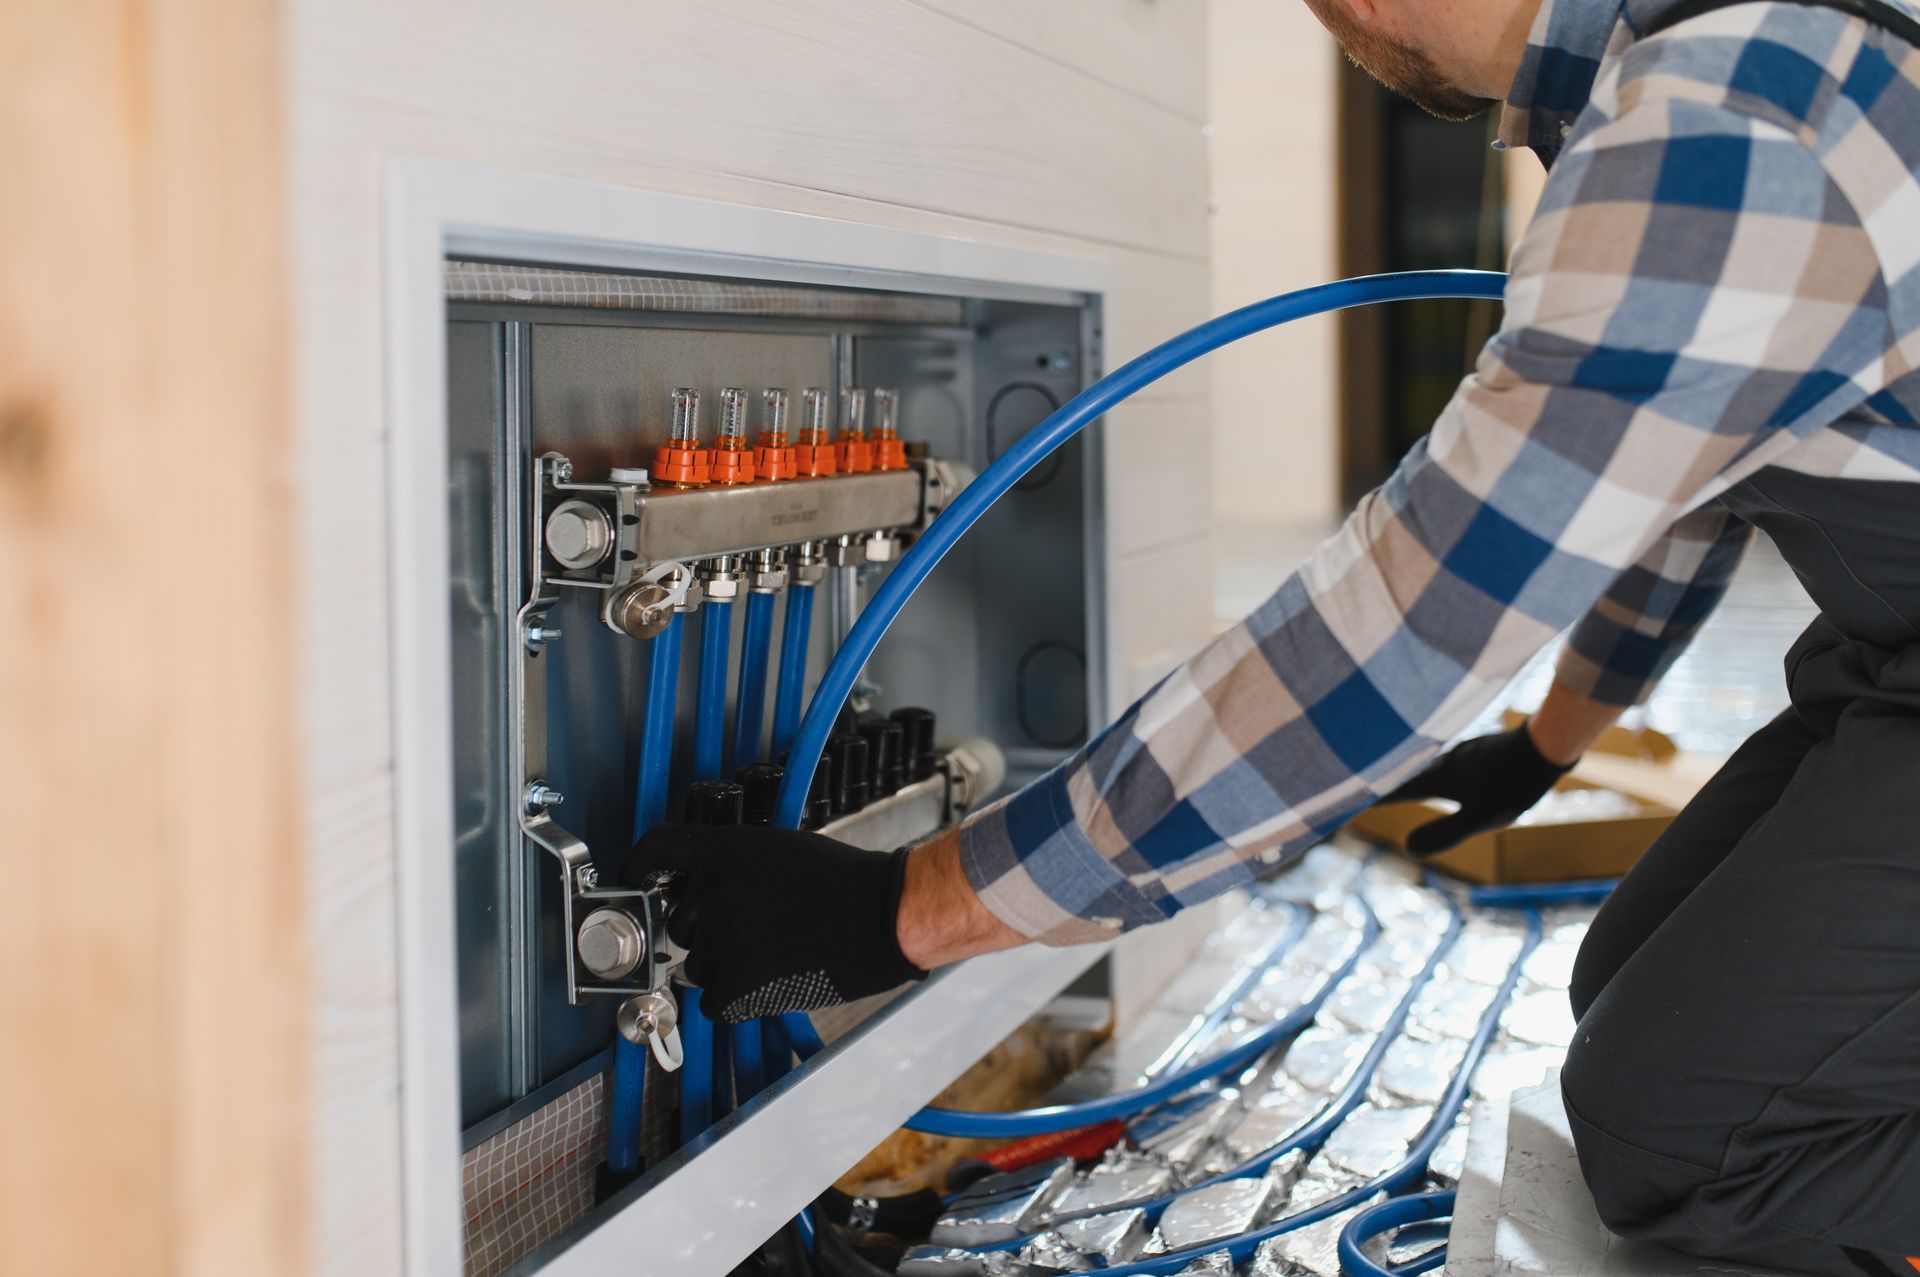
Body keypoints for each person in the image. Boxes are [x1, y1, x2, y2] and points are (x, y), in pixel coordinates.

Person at [627, 0, 1920, 1270]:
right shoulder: (1733, 64)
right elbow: (1691, 489)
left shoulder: (1717, 123)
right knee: (1637, 989)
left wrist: (909, 908)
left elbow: (1391, 636)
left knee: (1682, 1131)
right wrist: (1545, 745)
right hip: (1885, 665)